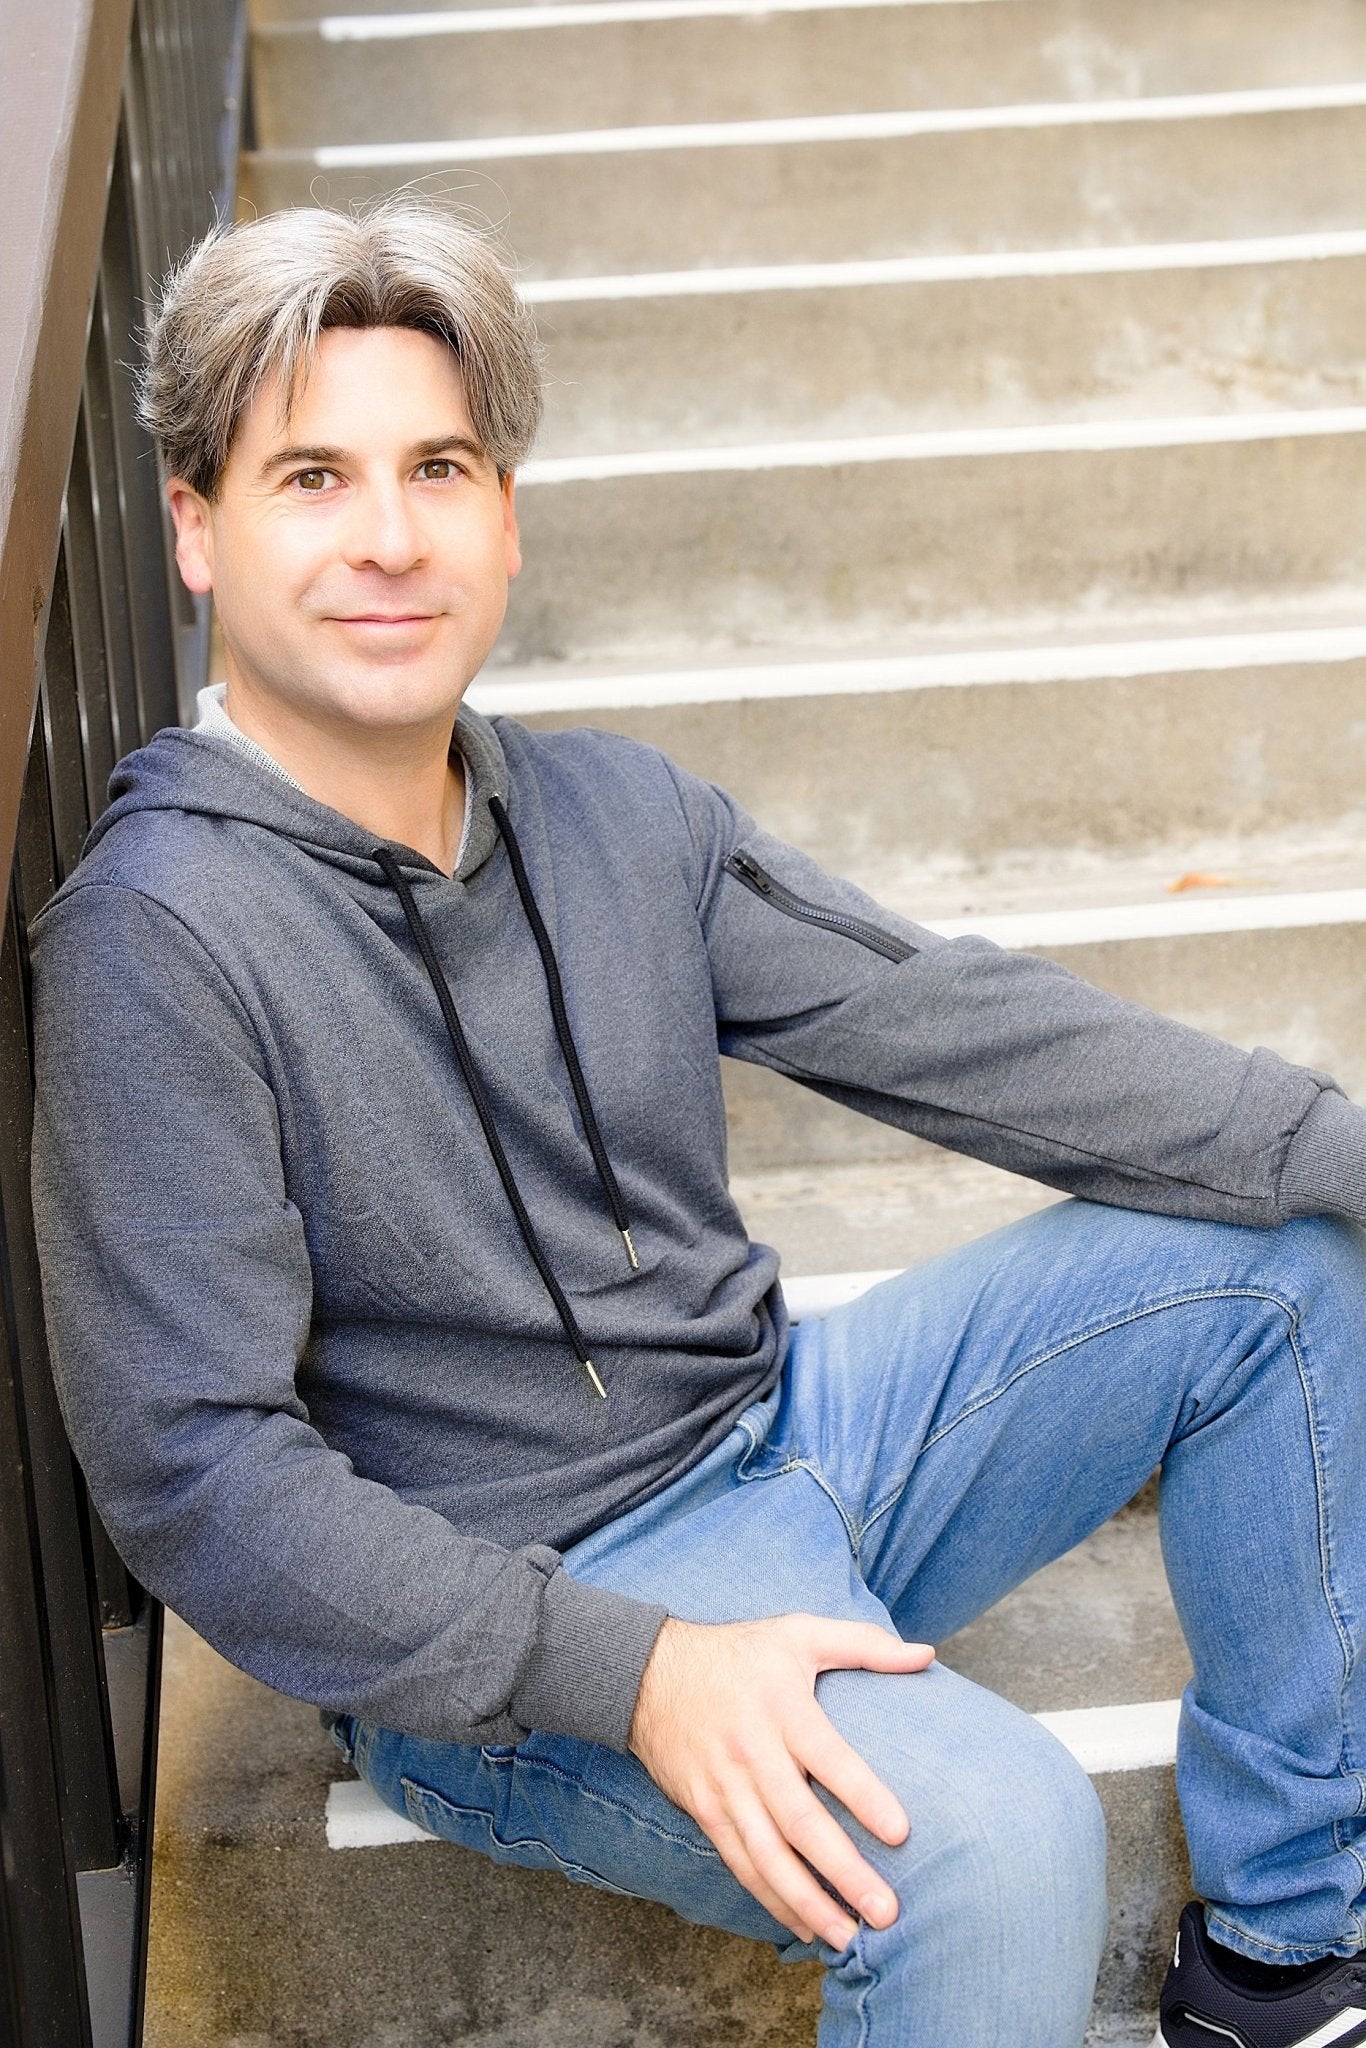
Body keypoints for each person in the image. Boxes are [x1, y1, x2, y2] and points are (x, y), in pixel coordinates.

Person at [27, 197, 1366, 2048]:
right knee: (993, 1844)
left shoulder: (619, 818)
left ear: (506, 515)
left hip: (794, 1429)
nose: (390, 536)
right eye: (312, 477)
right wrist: (635, 1671)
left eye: (439, 468)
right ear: (195, 528)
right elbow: (197, 1475)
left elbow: (962, 1027)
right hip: (529, 1603)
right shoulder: (159, 937)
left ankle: (1284, 1966)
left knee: (1287, 1251)